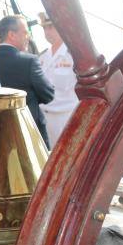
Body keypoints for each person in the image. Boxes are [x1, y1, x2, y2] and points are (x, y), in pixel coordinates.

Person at [0, 14, 54, 144]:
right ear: (12, 35)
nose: (28, 37)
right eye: (25, 32)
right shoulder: (29, 61)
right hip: (30, 134)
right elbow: (48, 94)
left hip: (0, 135)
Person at [37, 11, 78, 146]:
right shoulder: (42, 57)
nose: (47, 31)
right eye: (44, 27)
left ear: (61, 26)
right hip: (45, 119)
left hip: (66, 119)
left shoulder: (74, 55)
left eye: (51, 27)